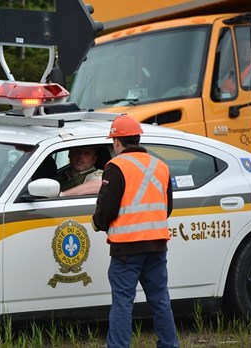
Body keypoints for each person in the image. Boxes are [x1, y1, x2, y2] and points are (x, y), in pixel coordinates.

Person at [91, 115, 178, 348]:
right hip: (157, 246)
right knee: (160, 300)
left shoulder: (116, 166)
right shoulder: (161, 166)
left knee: (123, 302)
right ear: (138, 138)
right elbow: (166, 207)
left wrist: (97, 222)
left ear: (117, 141)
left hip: (126, 249)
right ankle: (170, 344)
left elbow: (106, 209)